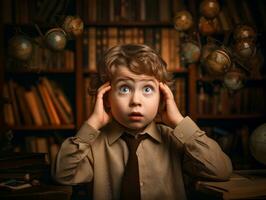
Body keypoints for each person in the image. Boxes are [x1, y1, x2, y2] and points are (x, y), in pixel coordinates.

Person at [52, 44, 232, 200]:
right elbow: (62, 175)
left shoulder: (176, 140)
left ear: (161, 96)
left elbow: (220, 170)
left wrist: (178, 121)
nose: (136, 100)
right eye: (124, 88)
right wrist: (92, 124)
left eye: (147, 89)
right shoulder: (92, 146)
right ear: (107, 97)